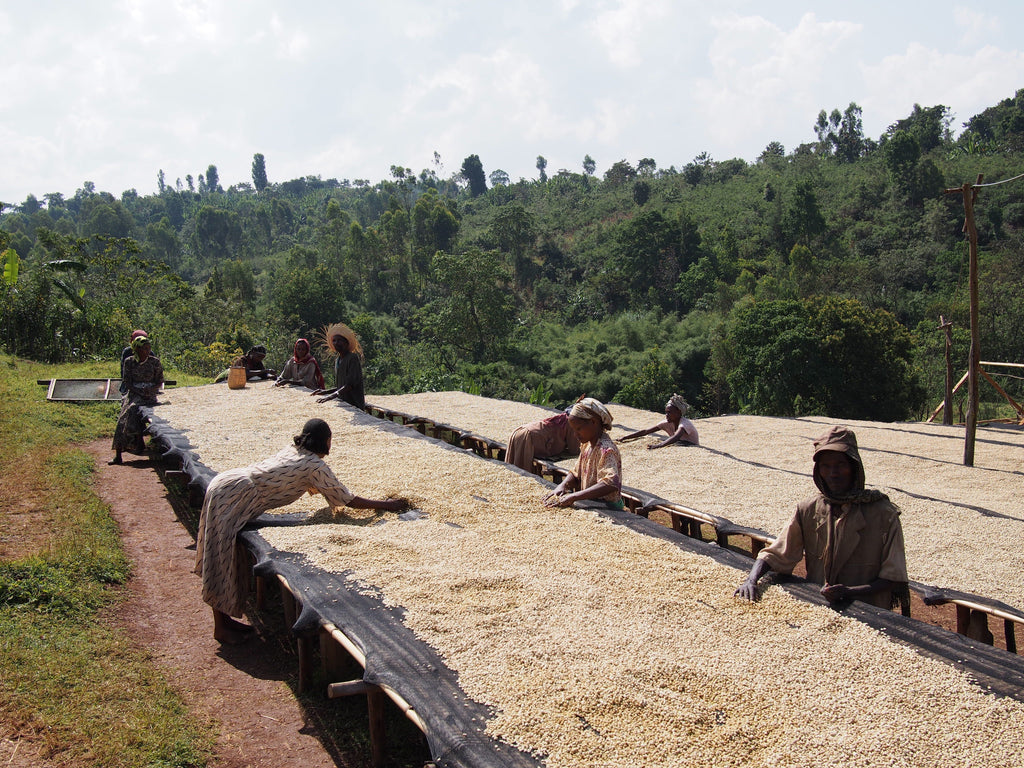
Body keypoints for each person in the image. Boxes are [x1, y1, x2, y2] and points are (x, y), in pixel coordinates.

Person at [194, 418, 410, 644]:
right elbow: (347, 500)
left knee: (221, 551)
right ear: (326, 442)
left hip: (227, 482)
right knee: (221, 555)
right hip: (234, 494)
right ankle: (221, 628)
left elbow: (313, 486)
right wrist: (386, 505)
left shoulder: (294, 451)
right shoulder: (314, 467)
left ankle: (225, 620)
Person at [734, 425, 908, 610]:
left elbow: (893, 577)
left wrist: (849, 591)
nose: (833, 473)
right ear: (818, 471)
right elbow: (777, 553)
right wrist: (751, 580)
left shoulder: (883, 514)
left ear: (854, 466)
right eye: (826, 466)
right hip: (820, 607)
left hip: (869, 610)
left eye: (840, 465)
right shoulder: (809, 509)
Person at [543, 397, 623, 510]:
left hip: (609, 508)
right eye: (574, 430)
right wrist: (563, 485)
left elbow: (610, 483)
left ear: (593, 422)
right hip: (592, 504)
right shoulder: (587, 445)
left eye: (579, 429)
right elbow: (576, 472)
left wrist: (574, 496)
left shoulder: (606, 450)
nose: (576, 435)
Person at [111, 334, 163, 465]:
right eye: (144, 348)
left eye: (148, 348)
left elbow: (159, 381)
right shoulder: (129, 362)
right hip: (135, 393)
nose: (147, 351)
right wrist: (139, 392)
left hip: (150, 393)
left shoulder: (154, 362)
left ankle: (142, 443)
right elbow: (127, 382)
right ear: (137, 350)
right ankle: (118, 454)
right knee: (126, 415)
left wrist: (150, 391)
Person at [504, 410, 581, 472]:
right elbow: (574, 449)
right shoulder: (571, 422)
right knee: (522, 469)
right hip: (529, 437)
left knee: (514, 465)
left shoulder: (562, 417)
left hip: (519, 431)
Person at [616, 394, 699, 449]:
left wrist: (658, 446)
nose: (667, 415)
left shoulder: (684, 424)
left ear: (678, 412)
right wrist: (625, 438)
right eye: (666, 412)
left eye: (669, 412)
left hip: (691, 446)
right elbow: (646, 431)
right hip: (679, 444)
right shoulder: (666, 423)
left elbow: (676, 437)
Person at [313, 323, 365, 408]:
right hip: (343, 402)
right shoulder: (338, 360)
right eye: (334, 340)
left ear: (346, 342)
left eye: (339, 340)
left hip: (354, 404)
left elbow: (350, 385)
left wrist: (331, 396)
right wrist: (325, 392)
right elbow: (340, 387)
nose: (336, 343)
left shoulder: (352, 358)